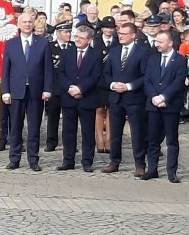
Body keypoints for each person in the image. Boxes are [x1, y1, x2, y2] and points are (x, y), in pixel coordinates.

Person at [1, 12, 52, 171]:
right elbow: (6, 71)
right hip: (16, 91)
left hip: (36, 92)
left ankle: (33, 159)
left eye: (30, 22)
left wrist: (47, 89)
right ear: (18, 24)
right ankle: (14, 159)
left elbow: (48, 69)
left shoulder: (43, 43)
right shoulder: (11, 44)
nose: (27, 24)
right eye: (24, 22)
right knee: (15, 126)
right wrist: (5, 91)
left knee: (34, 127)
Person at [103, 23, 153, 175]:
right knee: (115, 132)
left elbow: (146, 76)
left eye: (124, 33)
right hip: (116, 98)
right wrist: (112, 84)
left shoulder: (143, 52)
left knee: (137, 132)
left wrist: (129, 86)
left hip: (134, 98)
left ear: (133, 35)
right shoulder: (114, 51)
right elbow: (106, 73)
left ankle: (139, 163)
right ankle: (114, 161)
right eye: (119, 33)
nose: (120, 36)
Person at [142, 31, 187, 182]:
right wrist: (154, 97)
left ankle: (171, 172)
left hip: (170, 105)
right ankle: (152, 169)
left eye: (160, 42)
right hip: (153, 105)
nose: (157, 45)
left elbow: (178, 82)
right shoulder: (153, 58)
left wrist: (163, 97)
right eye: (156, 42)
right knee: (153, 139)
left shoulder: (180, 60)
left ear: (170, 43)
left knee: (171, 140)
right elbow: (147, 80)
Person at [57, 26, 101, 172]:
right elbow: (61, 73)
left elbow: (95, 76)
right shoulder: (67, 52)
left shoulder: (96, 54)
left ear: (89, 40)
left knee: (87, 132)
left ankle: (87, 161)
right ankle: (68, 160)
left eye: (81, 38)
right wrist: (70, 88)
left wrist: (81, 89)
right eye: (76, 37)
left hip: (86, 97)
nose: (77, 40)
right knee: (68, 131)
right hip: (69, 97)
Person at [45, 22, 73, 152]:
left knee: (70, 118)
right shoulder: (50, 47)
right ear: (58, 33)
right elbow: (48, 69)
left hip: (69, 88)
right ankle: (51, 142)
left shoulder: (73, 47)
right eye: (65, 32)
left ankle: (69, 142)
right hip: (55, 87)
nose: (68, 34)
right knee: (53, 116)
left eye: (69, 32)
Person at [93, 16, 118, 153]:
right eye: (106, 27)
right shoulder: (95, 41)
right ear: (101, 28)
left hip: (112, 80)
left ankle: (108, 139)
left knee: (110, 110)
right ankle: (99, 139)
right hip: (97, 79)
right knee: (98, 110)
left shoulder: (118, 41)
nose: (109, 30)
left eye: (111, 28)